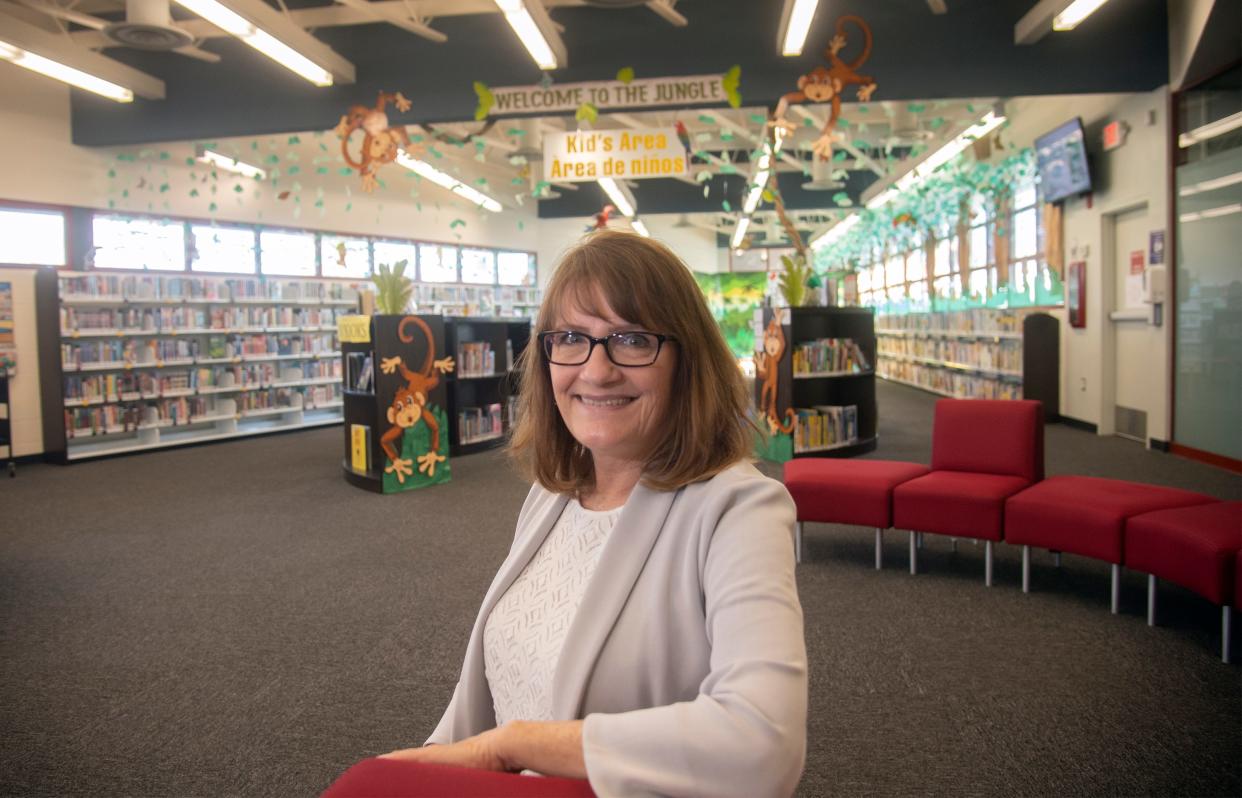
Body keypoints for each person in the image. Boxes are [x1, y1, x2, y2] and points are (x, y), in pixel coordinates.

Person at [381, 230, 807, 797]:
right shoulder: (552, 496)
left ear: (687, 361)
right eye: (572, 339)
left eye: (631, 340)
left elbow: (763, 743)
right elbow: (480, 700)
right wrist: (428, 767)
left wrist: (513, 746)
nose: (597, 370)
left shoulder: (736, 511)